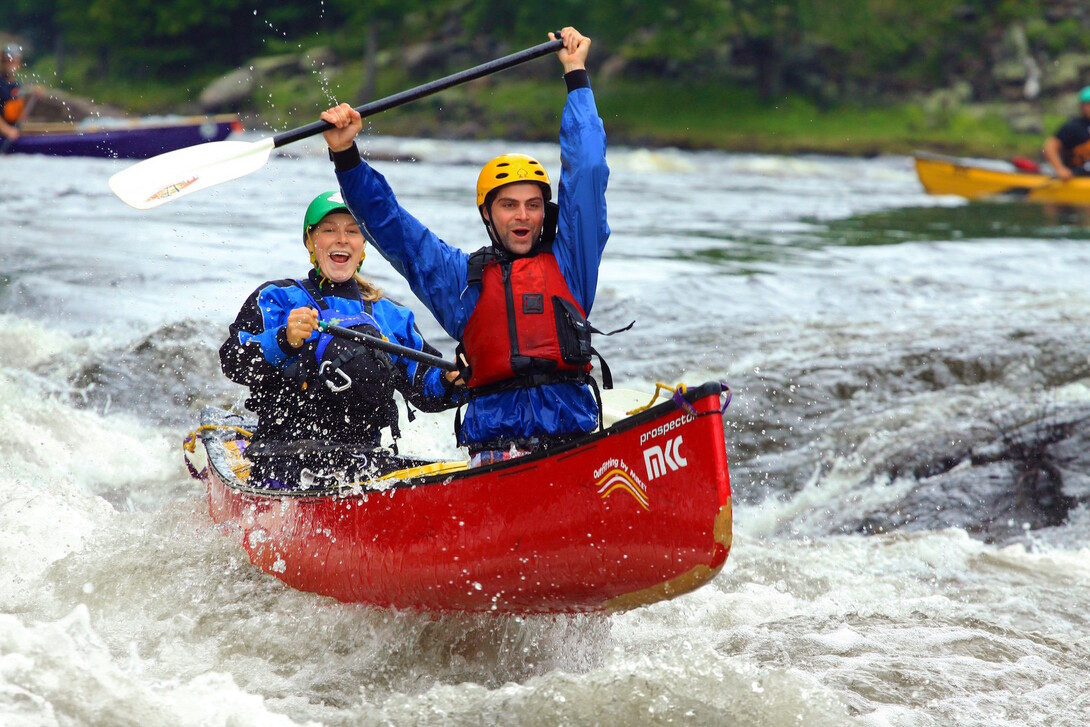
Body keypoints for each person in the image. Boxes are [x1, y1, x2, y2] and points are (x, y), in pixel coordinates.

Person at [319, 27, 611, 465]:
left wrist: (576, 75)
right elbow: (392, 227)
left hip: (573, 447)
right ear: (487, 215)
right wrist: (346, 155)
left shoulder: (573, 262)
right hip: (494, 456)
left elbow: (587, 170)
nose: (523, 216)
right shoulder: (460, 280)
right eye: (509, 205)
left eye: (533, 205)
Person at [219, 191, 462, 485]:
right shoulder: (278, 298)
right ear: (310, 241)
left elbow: (424, 386)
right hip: (281, 461)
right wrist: (283, 340)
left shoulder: (391, 316)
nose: (342, 239)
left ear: (364, 244)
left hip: (364, 465)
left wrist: (450, 380)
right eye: (329, 230)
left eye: (352, 231)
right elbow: (232, 360)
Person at [1043, 85, 1090, 179]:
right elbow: (1049, 147)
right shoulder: (1073, 127)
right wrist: (1060, 169)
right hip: (1076, 178)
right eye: (1088, 104)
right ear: (1082, 106)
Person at [1, 44, 28, 143]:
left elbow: (21, 112)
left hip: (13, 135)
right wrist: (7, 130)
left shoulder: (17, 86)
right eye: (7, 61)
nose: (10, 64)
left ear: (19, 63)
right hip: (4, 136)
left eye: (14, 61)